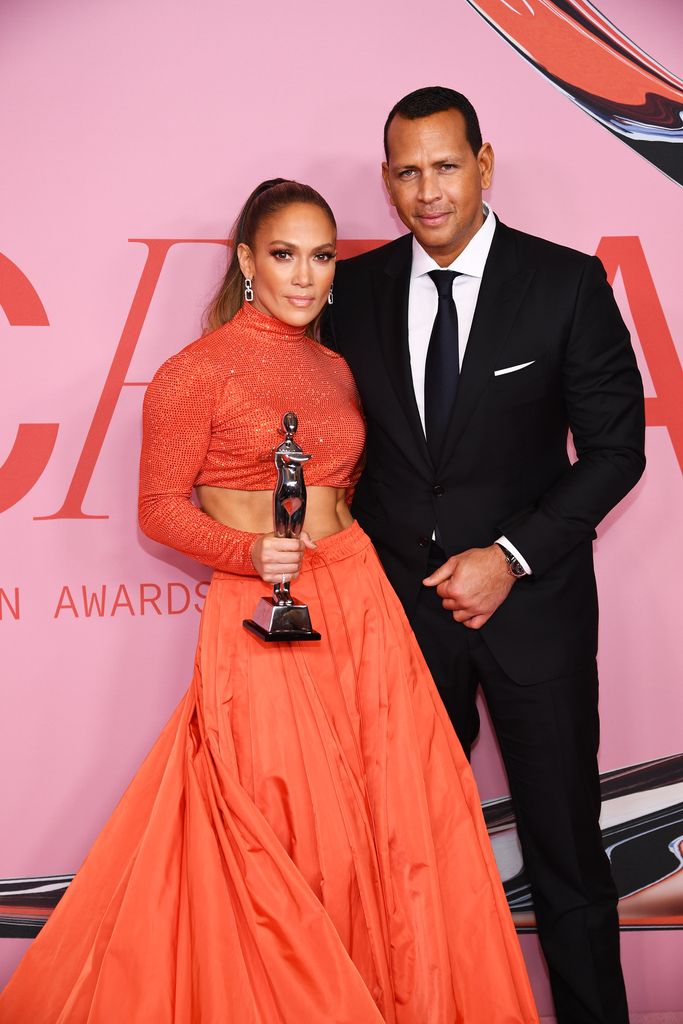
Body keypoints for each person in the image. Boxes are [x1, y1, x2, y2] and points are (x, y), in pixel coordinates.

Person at [0, 180, 538, 1023]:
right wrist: (245, 551)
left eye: (322, 257)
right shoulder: (194, 372)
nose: (305, 277)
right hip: (260, 605)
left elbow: (348, 491)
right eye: (284, 255)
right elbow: (158, 507)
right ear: (246, 261)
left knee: (389, 820)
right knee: (283, 817)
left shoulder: (335, 367)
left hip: (356, 600)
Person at [326, 88, 646, 1024]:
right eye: (408, 171)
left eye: (445, 165)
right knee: (398, 853)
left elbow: (617, 450)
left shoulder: (564, 284)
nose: (428, 190)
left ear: (484, 164)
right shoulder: (356, 292)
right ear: (387, 181)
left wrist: (507, 556)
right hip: (401, 623)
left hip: (532, 615)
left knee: (564, 852)